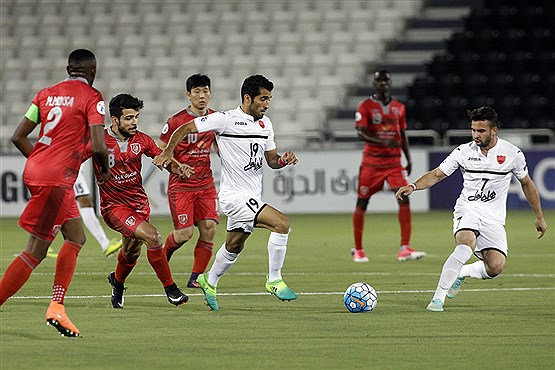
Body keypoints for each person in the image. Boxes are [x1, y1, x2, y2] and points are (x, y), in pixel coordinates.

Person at [153, 74, 298, 311]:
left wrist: (283, 160)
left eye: (269, 99)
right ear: (248, 98)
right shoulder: (224, 119)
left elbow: (271, 160)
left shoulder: (265, 124)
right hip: (234, 197)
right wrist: (169, 152)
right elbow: (185, 127)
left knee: (234, 245)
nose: (267, 104)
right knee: (281, 223)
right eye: (263, 99)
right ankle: (274, 279)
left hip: (252, 196)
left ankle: (208, 282)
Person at [1, 49, 110, 337]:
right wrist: (106, 174)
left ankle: (57, 305)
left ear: (68, 68)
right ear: (93, 71)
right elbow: (99, 146)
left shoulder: (45, 94)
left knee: (76, 237)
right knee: (34, 252)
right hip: (56, 180)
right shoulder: (92, 97)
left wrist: (40, 162)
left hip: (38, 172)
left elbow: (17, 136)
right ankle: (54, 307)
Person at [395, 106, 548, 312]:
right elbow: (437, 174)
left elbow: (527, 184)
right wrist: (413, 186)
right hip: (468, 209)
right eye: (474, 130)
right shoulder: (463, 152)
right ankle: (437, 299)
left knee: (495, 267)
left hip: (493, 218)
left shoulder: (512, 154)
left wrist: (539, 216)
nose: (476, 135)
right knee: (465, 243)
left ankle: (461, 272)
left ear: (494, 131)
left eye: (481, 131)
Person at [95, 93, 190, 309]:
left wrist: (177, 167)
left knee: (131, 252)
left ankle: (117, 283)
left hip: (139, 204)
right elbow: (74, 157)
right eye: (129, 118)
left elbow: (163, 159)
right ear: (115, 120)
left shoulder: (142, 140)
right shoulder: (98, 140)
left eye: (136, 117)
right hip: (114, 206)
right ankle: (171, 289)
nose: (134, 122)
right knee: (154, 237)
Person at [352, 69, 426, 262]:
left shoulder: (399, 107)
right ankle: (359, 249)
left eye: (386, 80)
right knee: (362, 201)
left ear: (390, 83)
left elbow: (402, 135)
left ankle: (405, 248)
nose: (382, 83)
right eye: (379, 80)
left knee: (404, 198)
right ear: (374, 84)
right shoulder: (365, 106)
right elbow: (360, 132)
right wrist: (380, 142)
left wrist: (408, 159)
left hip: (394, 162)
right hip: (372, 162)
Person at [157, 74, 219, 288]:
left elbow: (220, 147)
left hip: (206, 184)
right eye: (197, 92)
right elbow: (160, 151)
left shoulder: (216, 118)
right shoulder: (176, 121)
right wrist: (175, 164)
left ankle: (196, 277)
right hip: (181, 186)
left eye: (205, 91)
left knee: (210, 227)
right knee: (184, 234)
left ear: (210, 93)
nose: (202, 96)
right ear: (188, 95)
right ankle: (162, 257)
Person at [73, 166, 123, 256]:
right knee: (84, 200)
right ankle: (105, 244)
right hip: (66, 165)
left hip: (69, 164)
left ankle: (41, 241)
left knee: (83, 201)